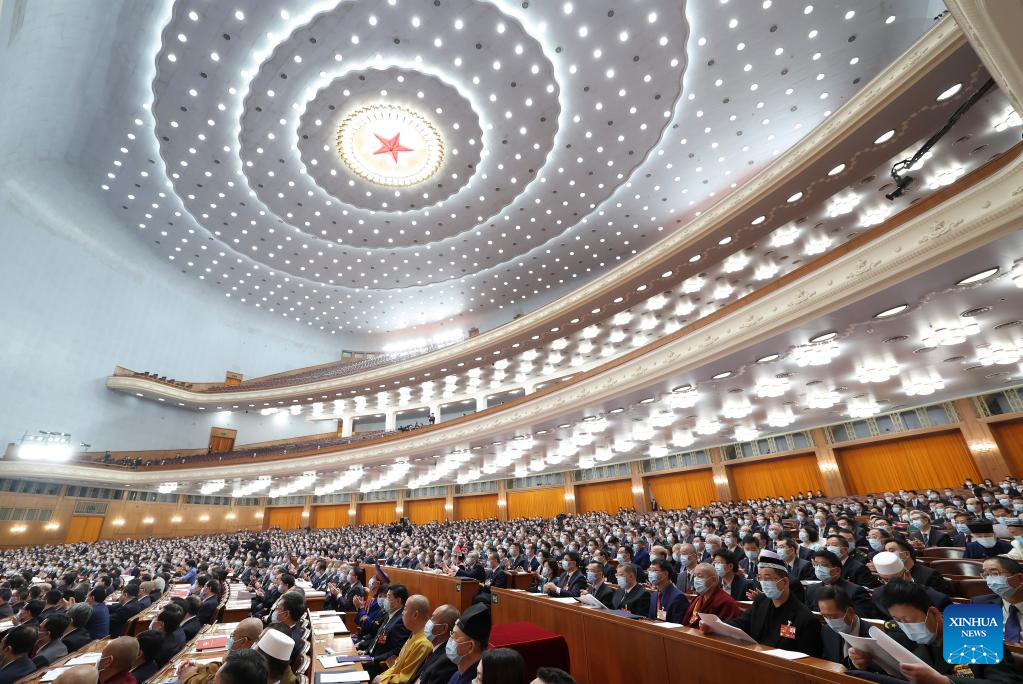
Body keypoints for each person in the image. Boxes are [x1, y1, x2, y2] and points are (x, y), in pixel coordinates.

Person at [848, 579, 1020, 683]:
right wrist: (864, 663)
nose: (905, 626)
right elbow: (892, 670)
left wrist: (946, 682)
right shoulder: (897, 633)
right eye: (898, 620)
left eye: (909, 619)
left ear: (934, 613)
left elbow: (1006, 682)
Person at [708, 550, 822, 657]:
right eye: (760, 578)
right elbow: (742, 623)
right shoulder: (761, 601)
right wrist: (715, 626)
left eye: (767, 578)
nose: (763, 583)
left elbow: (807, 659)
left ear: (785, 582)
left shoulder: (805, 618)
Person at [870, 552, 952, 621]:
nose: (891, 585)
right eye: (885, 580)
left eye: (896, 579)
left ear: (907, 574)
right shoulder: (878, 595)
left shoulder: (938, 599)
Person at [376, 594, 432, 684]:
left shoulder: (423, 643)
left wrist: (383, 680)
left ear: (415, 614)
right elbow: (397, 665)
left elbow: (405, 679)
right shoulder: (414, 634)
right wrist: (382, 676)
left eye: (405, 609)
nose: (402, 612)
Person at [805, 550, 878, 619]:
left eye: (823, 565)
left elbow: (864, 619)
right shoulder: (811, 589)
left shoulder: (855, 591)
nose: (818, 568)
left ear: (837, 570)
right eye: (816, 564)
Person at [358, 585, 411, 678]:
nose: (385, 600)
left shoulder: (401, 621)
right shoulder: (390, 614)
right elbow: (378, 638)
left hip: (379, 666)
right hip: (369, 657)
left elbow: (396, 651)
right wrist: (365, 651)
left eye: (388, 597)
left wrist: (373, 659)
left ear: (398, 600)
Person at [815, 585, 870, 668]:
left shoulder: (871, 636)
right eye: (825, 616)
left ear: (850, 612)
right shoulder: (826, 631)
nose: (830, 621)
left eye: (834, 616)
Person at [973, 555, 1023, 644]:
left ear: (1019, 578)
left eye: (995, 573)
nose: (990, 580)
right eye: (986, 575)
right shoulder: (980, 603)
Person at [680, 562, 741, 628]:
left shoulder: (726, 602)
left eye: (699, 576)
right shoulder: (697, 599)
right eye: (695, 576)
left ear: (713, 580)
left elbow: (725, 629)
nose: (696, 580)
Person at [883, 538, 953, 596]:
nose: (887, 555)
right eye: (885, 552)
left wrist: (912, 584)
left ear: (906, 554)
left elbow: (941, 601)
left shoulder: (930, 575)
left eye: (891, 551)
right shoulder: (887, 575)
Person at [410, 604, 459, 684]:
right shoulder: (434, 650)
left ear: (443, 628)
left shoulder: (446, 661)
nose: (428, 622)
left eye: (432, 618)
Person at [446, 604, 490, 684]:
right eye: (451, 634)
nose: (450, 639)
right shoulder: (457, 674)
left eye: (454, 636)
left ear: (470, 646)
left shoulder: (474, 680)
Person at [646, 558, 688, 623]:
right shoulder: (654, 595)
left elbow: (678, 624)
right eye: (650, 570)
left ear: (665, 574)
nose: (650, 573)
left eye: (654, 570)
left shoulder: (678, 597)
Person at [272, 592, 306, 663]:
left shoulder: (285, 641)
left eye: (278, 608)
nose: (275, 610)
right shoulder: (295, 624)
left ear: (286, 614)